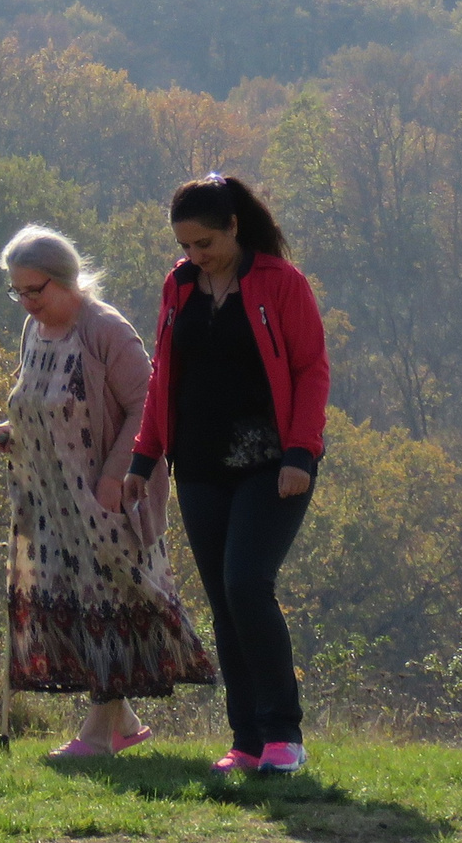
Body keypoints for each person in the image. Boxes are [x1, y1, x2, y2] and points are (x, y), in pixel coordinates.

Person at [122, 174, 331, 778]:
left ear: (234, 227)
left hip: (271, 465)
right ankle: (246, 741)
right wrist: (144, 457)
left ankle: (283, 734)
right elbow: (164, 374)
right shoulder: (180, 286)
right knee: (223, 601)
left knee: (246, 586)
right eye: (185, 245)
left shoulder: (281, 283)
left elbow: (312, 369)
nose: (195, 255)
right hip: (199, 465)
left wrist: (301, 453)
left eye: (205, 243)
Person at [0, 224, 215, 758]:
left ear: (66, 279)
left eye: (35, 289)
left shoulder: (106, 330)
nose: (27, 302)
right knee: (80, 606)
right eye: (18, 292)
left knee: (113, 605)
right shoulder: (34, 330)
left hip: (106, 503)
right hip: (52, 507)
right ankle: (122, 722)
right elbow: (41, 398)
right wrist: (14, 429)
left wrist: (115, 476)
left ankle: (97, 735)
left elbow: (148, 406)